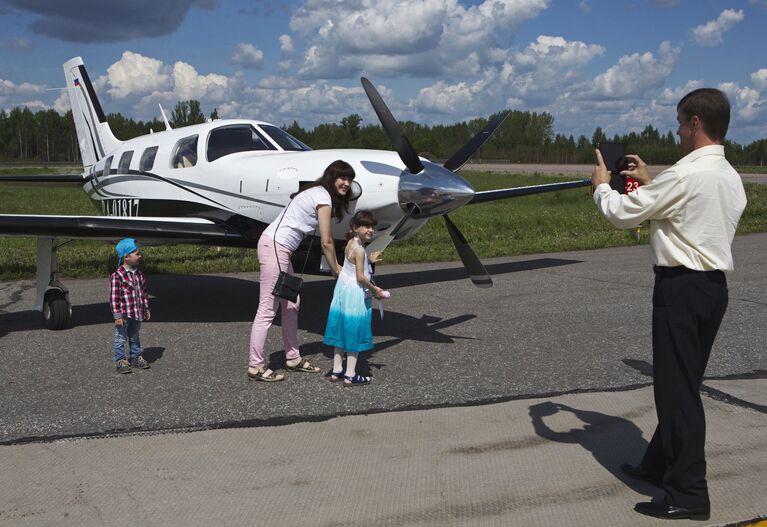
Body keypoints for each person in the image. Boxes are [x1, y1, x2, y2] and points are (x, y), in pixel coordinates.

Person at [592, 88, 747, 521]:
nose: (678, 131)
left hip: (680, 289)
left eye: (681, 122)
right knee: (682, 387)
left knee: (677, 396)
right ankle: (658, 464)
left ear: (696, 122)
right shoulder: (727, 175)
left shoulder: (685, 175)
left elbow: (623, 214)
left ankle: (689, 495)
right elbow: (684, 209)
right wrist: (652, 180)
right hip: (712, 290)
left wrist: (603, 189)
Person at [247, 160, 355, 382]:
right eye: (342, 178)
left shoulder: (316, 192)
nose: (346, 183)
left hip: (277, 247)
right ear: (332, 177)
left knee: (292, 302)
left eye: (350, 179)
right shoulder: (323, 196)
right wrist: (337, 271)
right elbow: (326, 241)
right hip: (276, 246)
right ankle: (255, 366)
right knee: (268, 308)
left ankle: (293, 357)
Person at [323, 210, 386, 386]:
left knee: (341, 330)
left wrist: (370, 260)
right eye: (366, 226)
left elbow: (352, 267)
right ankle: (350, 374)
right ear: (355, 228)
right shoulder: (359, 250)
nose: (370, 230)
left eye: (372, 227)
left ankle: (337, 370)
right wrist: (375, 291)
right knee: (354, 331)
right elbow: (361, 277)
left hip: (343, 290)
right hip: (355, 293)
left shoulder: (351, 243)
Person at [110, 238, 151, 374]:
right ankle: (120, 360)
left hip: (137, 312)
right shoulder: (118, 276)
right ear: (126, 257)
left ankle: (135, 357)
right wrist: (117, 315)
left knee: (135, 336)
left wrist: (146, 308)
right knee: (120, 337)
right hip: (124, 314)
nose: (140, 256)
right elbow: (114, 297)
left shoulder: (139, 274)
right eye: (137, 254)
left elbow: (144, 293)